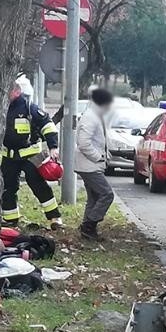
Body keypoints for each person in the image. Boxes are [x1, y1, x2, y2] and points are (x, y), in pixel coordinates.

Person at [0, 75, 63, 230]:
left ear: (16, 91)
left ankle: (55, 217)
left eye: (8, 91)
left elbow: (48, 126)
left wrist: (53, 146)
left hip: (30, 155)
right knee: (7, 187)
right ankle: (11, 218)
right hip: (9, 156)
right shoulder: (1, 107)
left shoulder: (30, 108)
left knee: (37, 185)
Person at [75, 88, 115, 241]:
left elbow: (99, 140)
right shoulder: (91, 117)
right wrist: (98, 157)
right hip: (89, 165)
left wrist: (105, 154)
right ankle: (89, 225)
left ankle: (88, 230)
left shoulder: (95, 116)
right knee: (106, 194)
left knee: (94, 196)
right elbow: (84, 143)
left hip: (90, 164)